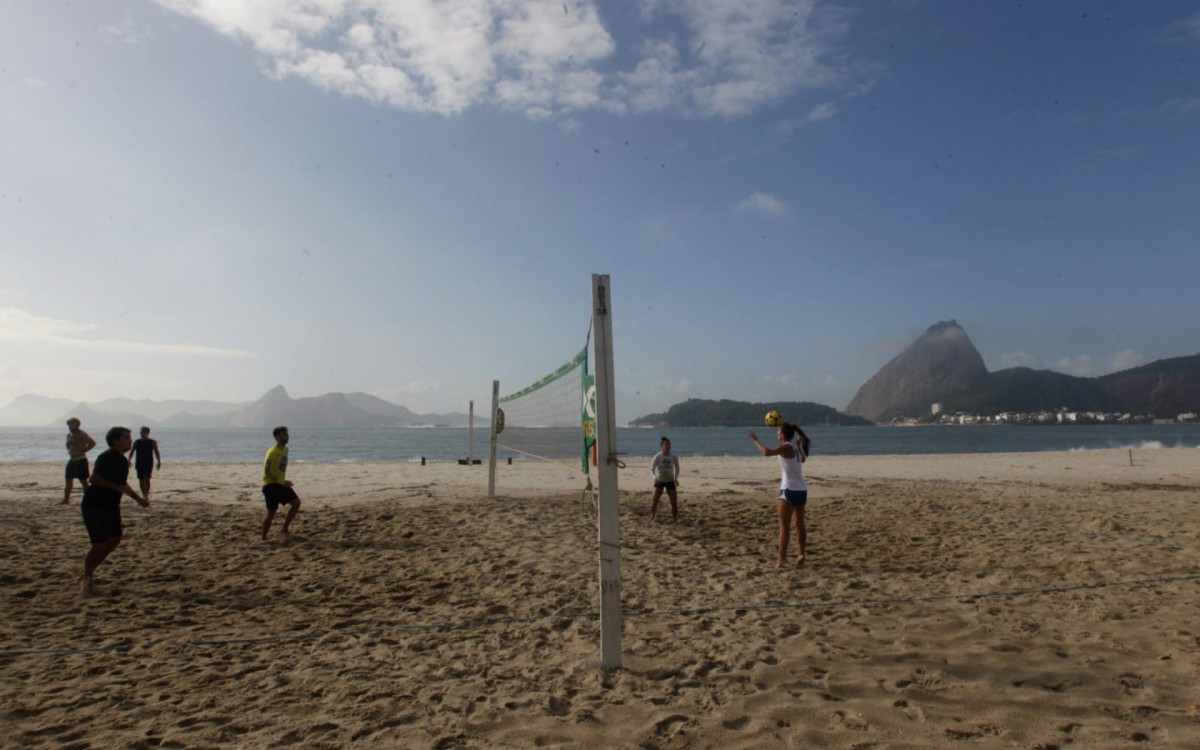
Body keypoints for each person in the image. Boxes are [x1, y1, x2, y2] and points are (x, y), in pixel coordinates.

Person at [79, 426, 149, 595]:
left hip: (111, 505)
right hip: (95, 505)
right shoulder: (107, 457)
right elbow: (94, 479)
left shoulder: (122, 460)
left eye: (130, 438)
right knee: (99, 543)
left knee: (115, 539)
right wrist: (115, 487)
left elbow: (123, 485)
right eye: (126, 438)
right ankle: (87, 578)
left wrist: (138, 499)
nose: (130, 441)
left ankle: (87, 573)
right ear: (115, 441)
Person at [748, 422, 811, 568]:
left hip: (789, 489)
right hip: (801, 489)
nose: (776, 433)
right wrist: (798, 445)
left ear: (782, 435)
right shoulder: (794, 446)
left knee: (784, 525)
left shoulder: (787, 447)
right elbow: (802, 459)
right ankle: (801, 554)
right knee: (799, 523)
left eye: (778, 431)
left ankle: (781, 559)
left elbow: (767, 452)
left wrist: (755, 440)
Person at [261, 426, 300, 540]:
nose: (286, 437)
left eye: (287, 434)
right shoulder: (272, 452)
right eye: (284, 435)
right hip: (271, 486)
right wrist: (281, 482)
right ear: (277, 437)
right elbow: (267, 471)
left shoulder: (285, 449)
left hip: (281, 484)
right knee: (271, 513)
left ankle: (284, 529)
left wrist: (282, 482)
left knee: (296, 503)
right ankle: (263, 538)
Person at [63, 417, 97, 505]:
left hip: (80, 460)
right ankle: (66, 500)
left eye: (72, 425)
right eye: (69, 425)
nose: (70, 427)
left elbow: (92, 443)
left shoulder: (82, 434)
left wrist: (84, 450)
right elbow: (68, 445)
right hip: (72, 460)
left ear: (77, 425)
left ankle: (89, 499)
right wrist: (70, 450)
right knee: (68, 480)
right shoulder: (69, 434)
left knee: (83, 481)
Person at [649, 436, 681, 522]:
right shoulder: (657, 456)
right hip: (659, 481)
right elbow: (651, 469)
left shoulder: (673, 457)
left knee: (674, 503)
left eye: (669, 444)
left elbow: (677, 469)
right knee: (654, 502)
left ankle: (675, 519)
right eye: (666, 444)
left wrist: (676, 478)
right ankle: (652, 516)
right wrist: (654, 477)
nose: (668, 446)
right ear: (662, 446)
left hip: (670, 482)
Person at [127, 426, 162, 501]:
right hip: (139, 462)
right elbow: (132, 451)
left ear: (147, 433)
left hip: (148, 462)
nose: (141, 434)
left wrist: (159, 461)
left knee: (147, 479)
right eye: (141, 432)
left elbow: (156, 452)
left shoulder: (152, 442)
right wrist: (129, 460)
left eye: (143, 432)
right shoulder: (137, 442)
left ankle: (146, 495)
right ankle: (144, 494)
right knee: (141, 480)